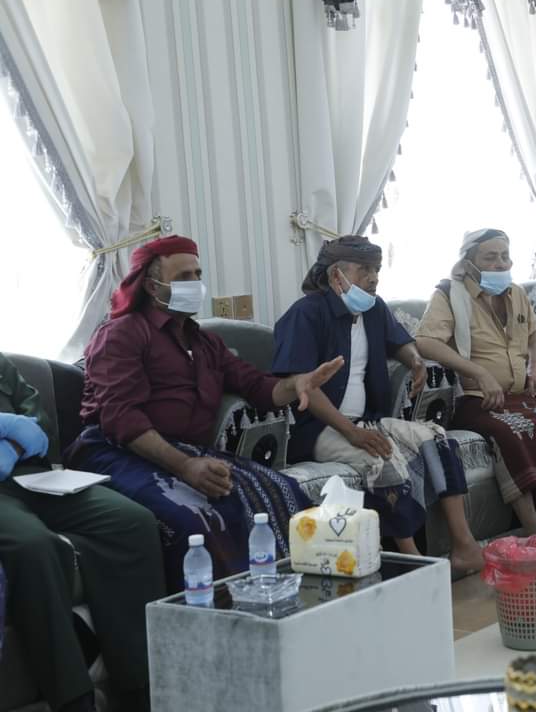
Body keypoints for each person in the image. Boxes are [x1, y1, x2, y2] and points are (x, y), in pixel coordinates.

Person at [66, 235, 341, 592]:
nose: (195, 283)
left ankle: (293, 599)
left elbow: (257, 386)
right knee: (196, 519)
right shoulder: (121, 334)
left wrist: (297, 384)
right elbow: (121, 418)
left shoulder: (205, 343)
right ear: (151, 286)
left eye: (197, 274)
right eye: (183, 277)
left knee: (284, 492)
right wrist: (184, 466)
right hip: (114, 452)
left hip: (187, 452)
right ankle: (215, 615)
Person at [272, 236, 484, 573]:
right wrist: (351, 432)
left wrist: (415, 361)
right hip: (316, 429)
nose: (373, 278)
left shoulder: (373, 308)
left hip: (369, 418)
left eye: (377, 270)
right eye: (365, 270)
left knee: (436, 437)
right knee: (380, 458)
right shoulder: (305, 314)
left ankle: (464, 544)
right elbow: (305, 387)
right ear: (336, 275)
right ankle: (414, 561)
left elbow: (400, 341)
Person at [0, 352, 164, 712]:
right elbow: (22, 424)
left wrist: (11, 444)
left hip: (29, 473)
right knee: (35, 547)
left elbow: (37, 420)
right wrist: (10, 427)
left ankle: (143, 686)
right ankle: (74, 698)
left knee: (132, 522)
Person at [414, 229, 536, 536]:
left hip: (519, 394)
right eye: (490, 257)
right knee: (511, 433)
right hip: (476, 398)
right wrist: (479, 372)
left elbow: (535, 332)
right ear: (469, 263)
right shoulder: (449, 295)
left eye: (505, 256)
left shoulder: (515, 293)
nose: (501, 264)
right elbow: (426, 342)